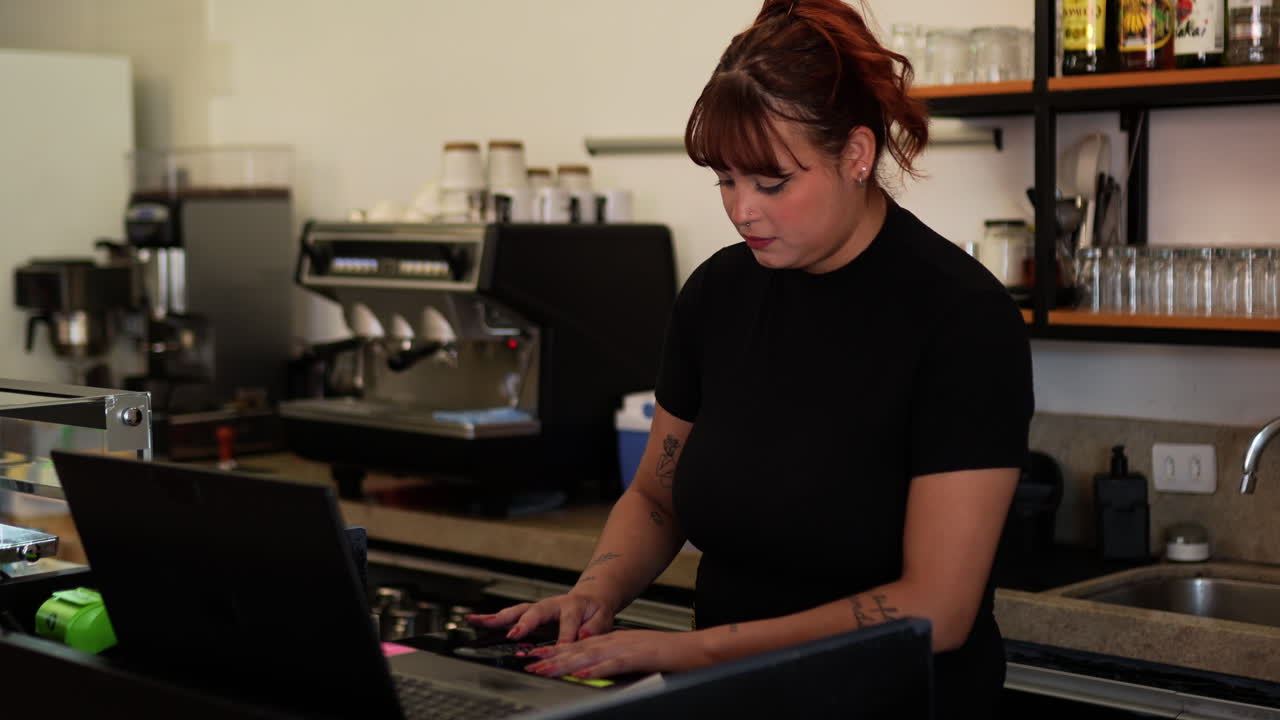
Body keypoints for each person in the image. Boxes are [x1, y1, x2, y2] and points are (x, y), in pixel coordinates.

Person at [468, 0, 1034, 715]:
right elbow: (654, 497)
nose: (743, 211)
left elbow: (938, 609)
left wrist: (689, 650)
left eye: (771, 184)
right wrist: (594, 594)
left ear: (857, 155)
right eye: (726, 181)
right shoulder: (719, 294)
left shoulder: (960, 319)